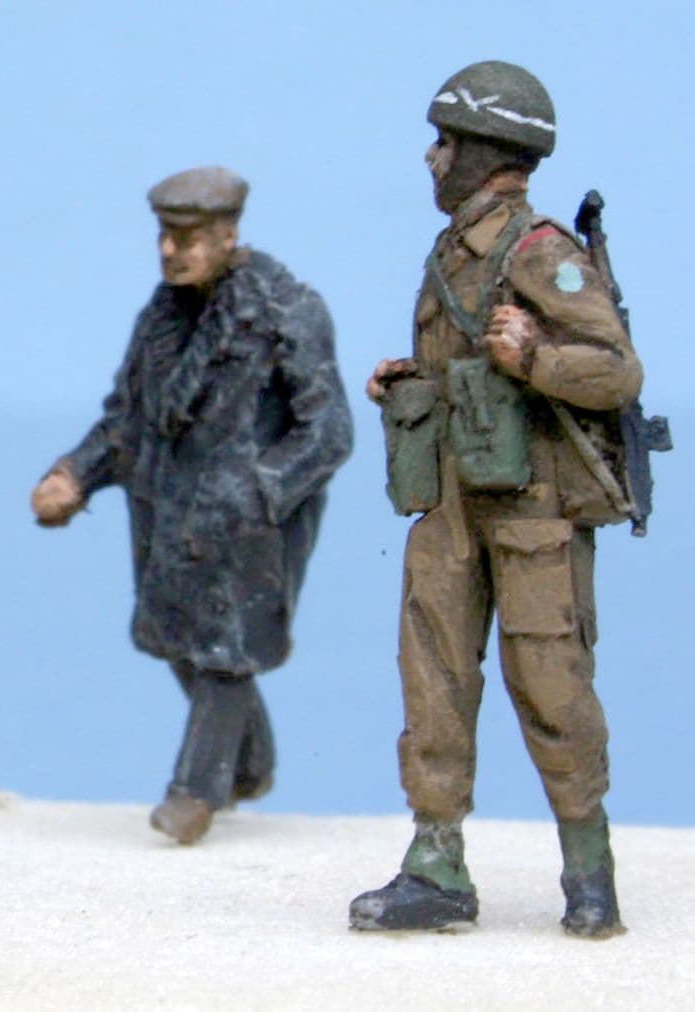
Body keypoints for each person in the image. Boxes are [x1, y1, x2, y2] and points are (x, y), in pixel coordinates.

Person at [349, 62, 642, 937]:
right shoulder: (453, 251)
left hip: (532, 511)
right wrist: (414, 380)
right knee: (433, 678)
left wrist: (535, 359)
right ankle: (436, 863)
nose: (433, 157)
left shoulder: (541, 251)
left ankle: (589, 870)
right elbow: (467, 371)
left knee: (552, 683)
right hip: (451, 505)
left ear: (487, 150)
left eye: (446, 141)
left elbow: (616, 370)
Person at [31, 166, 353, 845]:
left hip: (244, 523)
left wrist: (257, 490)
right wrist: (75, 474)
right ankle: (249, 764)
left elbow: (328, 431)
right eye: (164, 236)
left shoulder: (286, 311)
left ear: (229, 234)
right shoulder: (161, 318)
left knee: (225, 651)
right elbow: (126, 419)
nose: (171, 251)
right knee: (180, 642)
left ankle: (195, 791)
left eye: (189, 237)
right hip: (166, 511)